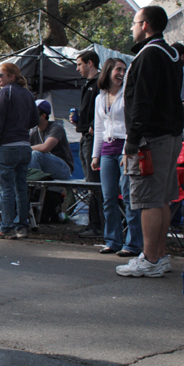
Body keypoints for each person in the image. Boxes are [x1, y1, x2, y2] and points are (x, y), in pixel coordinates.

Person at [117, 6, 183, 277]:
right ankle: (160, 255)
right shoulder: (172, 54)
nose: (132, 28)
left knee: (147, 200)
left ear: (145, 25)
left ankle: (150, 259)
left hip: (150, 139)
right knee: (163, 199)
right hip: (171, 135)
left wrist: (132, 140)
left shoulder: (148, 55)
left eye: (134, 23)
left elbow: (142, 101)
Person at [90, 58, 142, 256]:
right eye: (118, 69)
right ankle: (112, 240)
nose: (122, 73)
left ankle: (133, 244)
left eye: (124, 70)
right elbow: (99, 127)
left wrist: (128, 151)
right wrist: (96, 155)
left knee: (129, 197)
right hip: (106, 150)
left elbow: (131, 124)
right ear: (108, 71)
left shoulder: (128, 94)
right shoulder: (100, 98)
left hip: (125, 148)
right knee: (108, 197)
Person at [0, 63, 38, 239]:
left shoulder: (6, 92)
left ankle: (6, 227)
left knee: (7, 189)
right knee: (21, 188)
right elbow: (34, 119)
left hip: (7, 145)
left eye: (0, 75)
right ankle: (22, 226)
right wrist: (21, 126)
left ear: (11, 76)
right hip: (25, 145)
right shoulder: (27, 93)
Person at [73, 50, 104, 238]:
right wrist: (79, 121)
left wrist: (93, 126)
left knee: (95, 183)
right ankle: (94, 223)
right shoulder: (87, 85)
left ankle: (98, 225)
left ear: (90, 63)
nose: (78, 69)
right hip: (84, 136)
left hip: (94, 139)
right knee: (89, 182)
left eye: (79, 64)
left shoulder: (100, 83)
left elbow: (103, 108)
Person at [28, 100, 74, 180]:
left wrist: (25, 148)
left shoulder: (56, 128)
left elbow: (45, 147)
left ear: (43, 116)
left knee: (35, 154)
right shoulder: (33, 131)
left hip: (63, 168)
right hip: (45, 167)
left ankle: (34, 188)